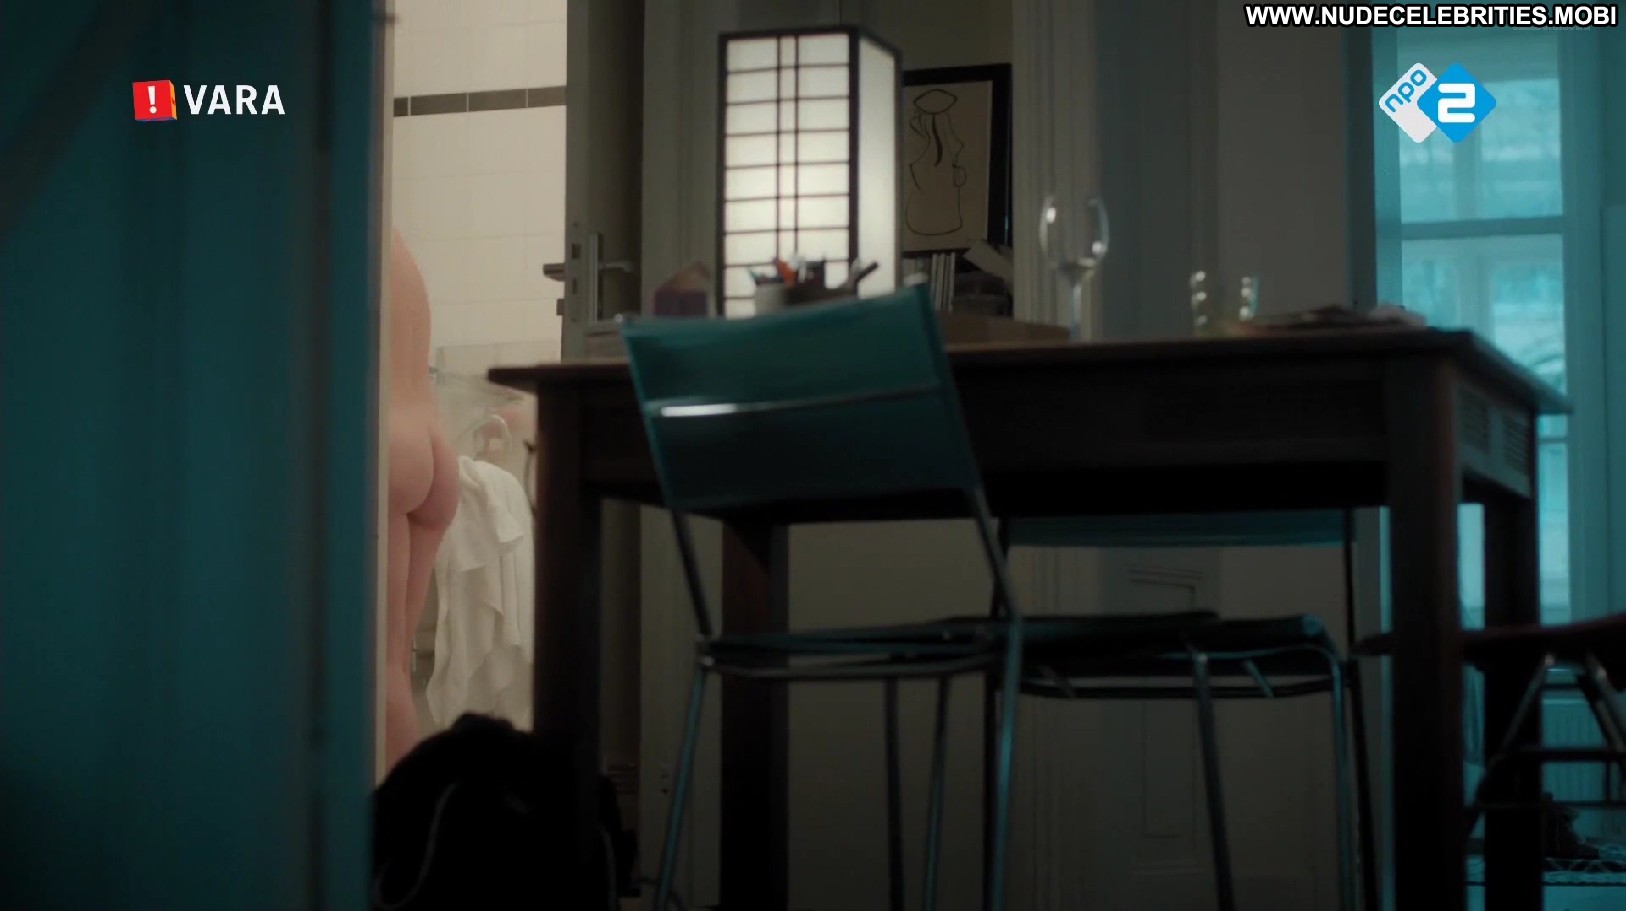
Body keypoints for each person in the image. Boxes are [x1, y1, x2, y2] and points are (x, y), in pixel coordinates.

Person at [385, 229, 459, 769]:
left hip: (387, 444)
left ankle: (381, 820)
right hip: (429, 441)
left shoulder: (332, 215)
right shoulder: (393, 236)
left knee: (373, 674)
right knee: (392, 669)